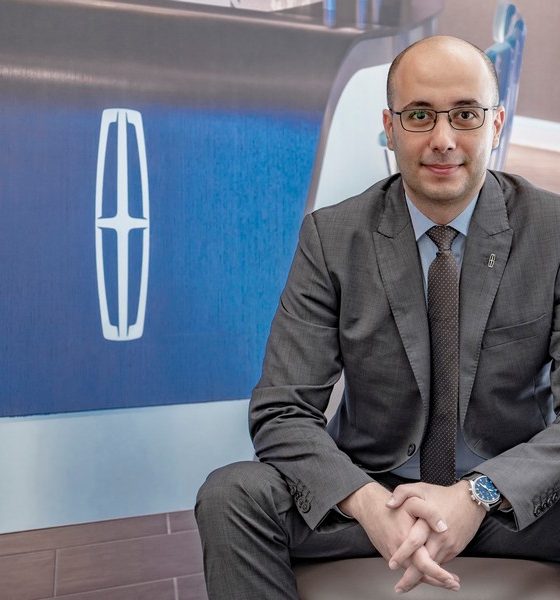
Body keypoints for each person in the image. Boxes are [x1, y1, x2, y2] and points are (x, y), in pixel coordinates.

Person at [196, 35, 560, 598]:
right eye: (419, 115)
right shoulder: (332, 237)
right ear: (390, 128)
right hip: (375, 494)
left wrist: (476, 495)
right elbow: (282, 411)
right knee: (232, 495)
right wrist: (367, 504)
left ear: (496, 124)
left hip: (505, 501)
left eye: (465, 114)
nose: (443, 139)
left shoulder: (553, 231)